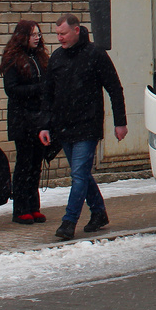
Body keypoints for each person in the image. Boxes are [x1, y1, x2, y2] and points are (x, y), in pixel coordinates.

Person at [38, 13, 127, 241]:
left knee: (78, 175)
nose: (59, 38)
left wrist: (120, 122)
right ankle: (98, 212)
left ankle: (69, 222)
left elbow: (114, 88)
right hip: (63, 127)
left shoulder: (95, 54)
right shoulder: (57, 57)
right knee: (83, 174)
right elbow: (47, 94)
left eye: (63, 34)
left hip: (87, 125)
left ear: (76, 30)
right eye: (57, 34)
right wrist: (45, 125)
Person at [0, 19, 50, 225]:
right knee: (24, 163)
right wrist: (38, 89)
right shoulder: (13, 59)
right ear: (23, 36)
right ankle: (21, 208)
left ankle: (33, 206)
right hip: (22, 118)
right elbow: (12, 90)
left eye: (38, 34)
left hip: (39, 117)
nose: (37, 38)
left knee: (36, 163)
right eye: (33, 34)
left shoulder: (40, 57)